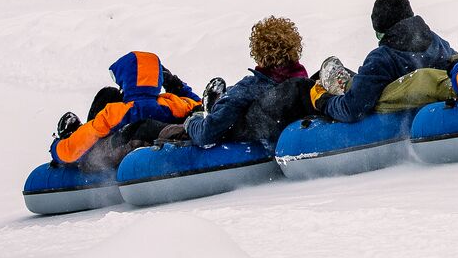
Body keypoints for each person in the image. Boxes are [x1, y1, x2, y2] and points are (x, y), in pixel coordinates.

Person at [312, 0, 458, 123]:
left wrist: (324, 101)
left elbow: (352, 110)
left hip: (398, 116)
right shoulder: (438, 43)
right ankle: (349, 84)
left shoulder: (382, 58)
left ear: (383, 30)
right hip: (443, 106)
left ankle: (344, 87)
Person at [174, 16, 314, 151]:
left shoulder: (250, 88)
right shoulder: (304, 84)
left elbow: (206, 135)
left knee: (228, 102)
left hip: (240, 127)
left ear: (259, 54)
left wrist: (191, 122)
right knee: (232, 93)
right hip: (277, 120)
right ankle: (219, 101)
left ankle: (212, 108)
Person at [49, 50, 202, 171]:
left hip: (113, 151)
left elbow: (72, 149)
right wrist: (175, 84)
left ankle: (72, 136)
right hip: (154, 139)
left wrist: (56, 147)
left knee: (107, 95)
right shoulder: (170, 103)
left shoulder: (115, 112)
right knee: (111, 94)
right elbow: (197, 104)